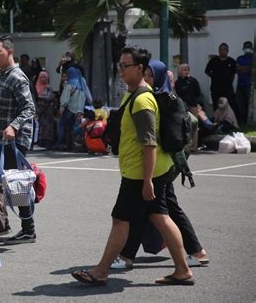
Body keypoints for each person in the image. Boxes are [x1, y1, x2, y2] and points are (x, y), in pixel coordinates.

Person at [71, 47, 194, 286]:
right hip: (141, 172)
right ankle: (183, 269)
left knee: (120, 219)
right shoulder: (133, 94)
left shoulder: (142, 100)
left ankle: (101, 271)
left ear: (140, 68)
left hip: (140, 174)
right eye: (120, 65)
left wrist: (147, 180)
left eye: (125, 66)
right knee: (160, 217)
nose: (121, 70)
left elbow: (149, 144)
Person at [110, 59, 209, 270]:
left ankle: (191, 256)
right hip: (162, 165)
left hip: (160, 166)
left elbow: (151, 141)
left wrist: (148, 178)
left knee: (151, 211)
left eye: (150, 75)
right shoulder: (163, 97)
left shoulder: (157, 100)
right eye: (145, 74)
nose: (146, 78)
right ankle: (191, 254)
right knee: (155, 210)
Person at [0, 35, 37, 245]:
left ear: (9, 51)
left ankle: (27, 229)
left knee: (16, 184)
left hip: (14, 140)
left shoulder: (16, 76)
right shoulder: (3, 75)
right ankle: (7, 225)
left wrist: (13, 126)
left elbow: (30, 108)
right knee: (7, 183)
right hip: (2, 140)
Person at [55, 66, 92, 151]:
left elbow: (65, 98)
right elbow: (89, 97)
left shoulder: (69, 84)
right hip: (80, 110)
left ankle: (60, 143)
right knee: (76, 127)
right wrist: (91, 102)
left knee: (62, 124)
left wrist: (62, 107)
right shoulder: (82, 83)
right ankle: (76, 145)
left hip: (69, 109)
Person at [175, 63, 203, 151]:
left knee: (194, 125)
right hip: (182, 106)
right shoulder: (178, 82)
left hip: (192, 105)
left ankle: (194, 146)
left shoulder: (193, 80)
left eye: (188, 70)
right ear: (180, 71)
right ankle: (185, 146)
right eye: (184, 70)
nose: (186, 72)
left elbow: (198, 93)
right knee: (184, 126)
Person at [205, 43, 237, 113]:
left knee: (229, 105)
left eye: (224, 49)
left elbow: (233, 73)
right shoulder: (213, 60)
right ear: (218, 51)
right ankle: (217, 121)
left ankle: (228, 121)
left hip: (227, 89)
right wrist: (214, 76)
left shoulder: (231, 61)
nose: (222, 51)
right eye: (221, 49)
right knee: (216, 106)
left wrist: (229, 81)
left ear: (227, 50)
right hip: (215, 88)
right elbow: (207, 71)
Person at [34, 71, 55, 150]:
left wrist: (40, 97)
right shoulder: (35, 87)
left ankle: (46, 143)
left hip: (47, 112)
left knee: (47, 127)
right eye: (41, 77)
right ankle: (38, 142)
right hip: (38, 111)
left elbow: (50, 97)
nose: (43, 79)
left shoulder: (49, 88)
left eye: (45, 77)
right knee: (38, 126)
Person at [235, 41, 253, 126]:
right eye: (245, 46)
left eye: (248, 46)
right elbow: (237, 69)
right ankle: (242, 122)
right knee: (240, 104)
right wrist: (247, 68)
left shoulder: (253, 57)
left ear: (252, 48)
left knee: (249, 104)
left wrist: (244, 68)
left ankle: (249, 122)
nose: (247, 48)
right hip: (240, 85)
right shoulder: (240, 58)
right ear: (243, 48)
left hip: (250, 85)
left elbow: (252, 69)